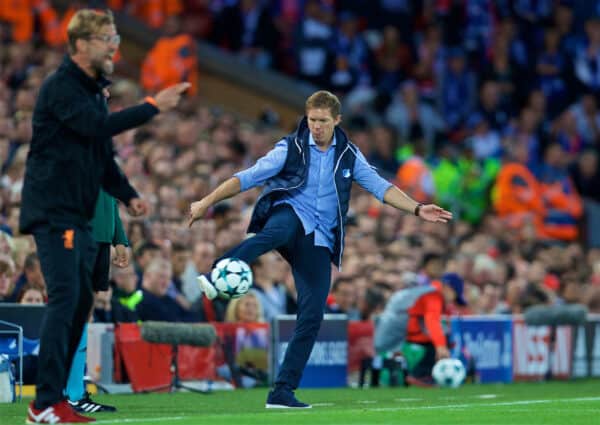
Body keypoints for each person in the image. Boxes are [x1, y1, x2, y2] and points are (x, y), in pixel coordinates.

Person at [189, 90, 452, 408]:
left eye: (322, 121)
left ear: (337, 120)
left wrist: (417, 208)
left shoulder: (349, 155)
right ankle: (218, 271)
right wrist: (206, 201)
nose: (315, 126)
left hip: (319, 239)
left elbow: (381, 187)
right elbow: (247, 177)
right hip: (290, 212)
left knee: (313, 315)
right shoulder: (290, 147)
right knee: (275, 232)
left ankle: (282, 391)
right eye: (311, 119)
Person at [19, 9, 188, 424]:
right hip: (55, 211)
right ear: (80, 45)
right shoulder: (62, 88)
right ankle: (43, 404)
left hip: (75, 214)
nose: (115, 45)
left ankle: (54, 400)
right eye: (106, 39)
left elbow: (102, 156)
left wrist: (128, 196)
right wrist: (151, 106)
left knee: (78, 302)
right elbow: (99, 130)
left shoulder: (91, 90)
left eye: (115, 37)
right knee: (66, 301)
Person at [65, 189, 129, 414]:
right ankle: (70, 394)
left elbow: (111, 200)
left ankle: (74, 392)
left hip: (101, 239)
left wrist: (119, 239)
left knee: (84, 315)